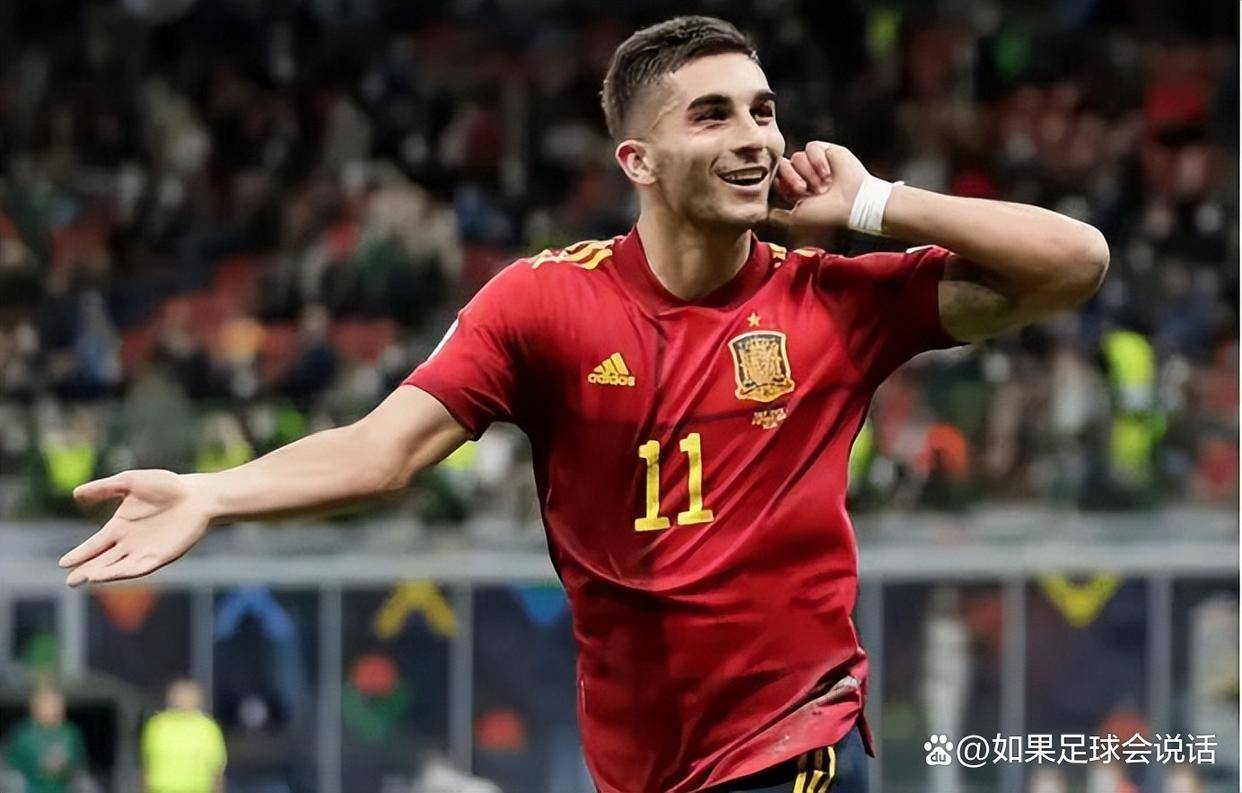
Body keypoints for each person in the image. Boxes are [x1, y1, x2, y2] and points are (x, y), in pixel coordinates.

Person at [58, 16, 1108, 793]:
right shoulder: (542, 304)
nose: (753, 136)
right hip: (637, 767)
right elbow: (382, 452)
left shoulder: (833, 301)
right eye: (712, 115)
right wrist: (213, 493)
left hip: (794, 743)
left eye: (763, 110)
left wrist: (875, 202)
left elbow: (1075, 262)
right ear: (637, 161)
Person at [140, 679, 226, 793]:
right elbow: (146, 767)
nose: (184, 699)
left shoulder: (208, 728)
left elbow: (217, 772)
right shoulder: (156, 725)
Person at [2, 686, 87, 793]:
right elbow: (11, 765)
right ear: (35, 707)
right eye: (48, 705)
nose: (54, 709)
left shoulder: (70, 732)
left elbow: (79, 762)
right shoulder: (24, 733)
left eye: (57, 705)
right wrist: (38, 768)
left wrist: (65, 767)